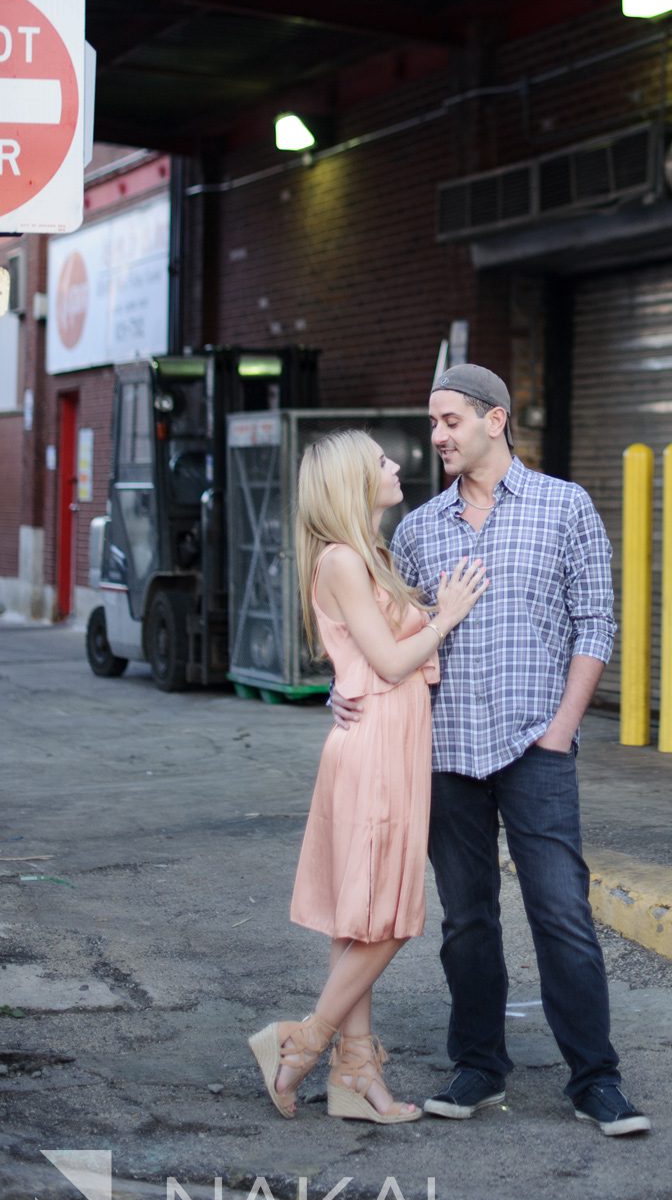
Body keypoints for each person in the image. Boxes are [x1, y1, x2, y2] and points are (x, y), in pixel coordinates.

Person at [331, 362, 650, 1138]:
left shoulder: (563, 507)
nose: (436, 437)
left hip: (536, 745)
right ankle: (478, 1066)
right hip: (441, 752)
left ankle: (595, 1080)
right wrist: (346, 689)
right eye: (433, 423)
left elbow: (595, 624)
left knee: (561, 914)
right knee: (466, 920)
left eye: (449, 422)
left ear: (494, 420)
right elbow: (388, 638)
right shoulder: (418, 530)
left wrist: (561, 731)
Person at [248, 429, 487, 1124]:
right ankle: (302, 1044)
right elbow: (387, 660)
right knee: (388, 917)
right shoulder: (344, 560)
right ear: (353, 481)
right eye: (381, 460)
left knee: (361, 916)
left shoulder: (371, 556)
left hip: (390, 735)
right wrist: (447, 616)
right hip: (378, 741)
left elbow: (362, 659)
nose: (396, 464)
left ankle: (355, 1072)